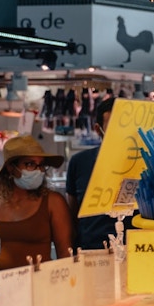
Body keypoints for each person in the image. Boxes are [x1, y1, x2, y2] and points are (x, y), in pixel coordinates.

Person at [0, 135, 73, 270]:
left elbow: (66, 255)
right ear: (11, 168)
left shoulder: (53, 202)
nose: (38, 170)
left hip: (37, 287)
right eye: (29, 164)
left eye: (41, 165)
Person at [65, 97, 118, 250]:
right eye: (113, 126)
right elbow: (73, 213)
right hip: (91, 251)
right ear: (98, 129)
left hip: (136, 251)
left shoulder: (146, 163)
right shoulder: (79, 162)